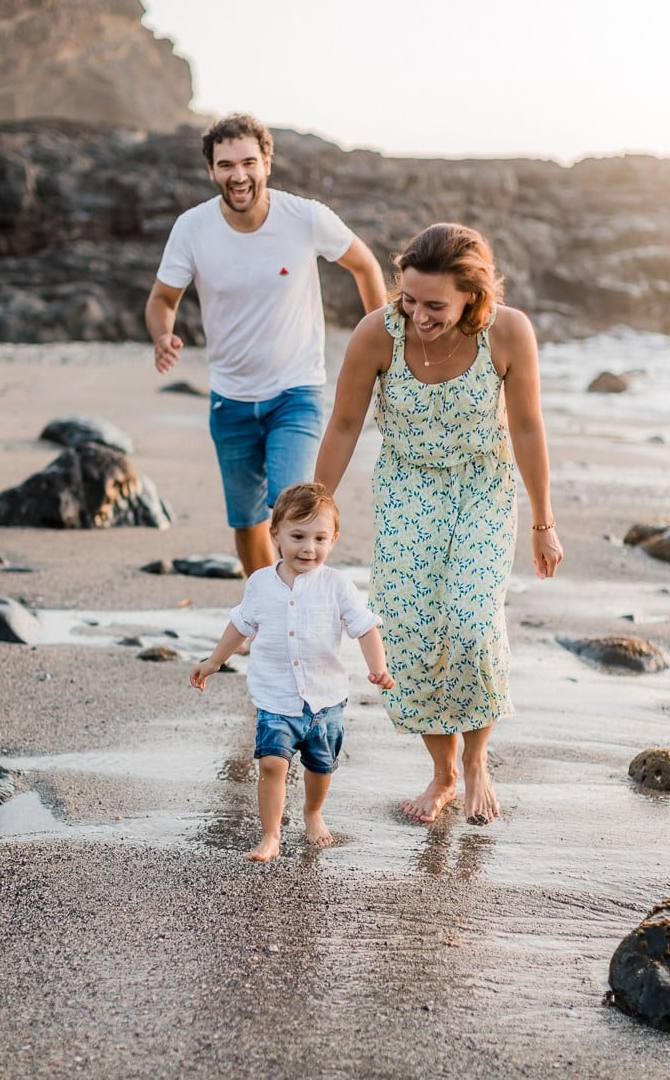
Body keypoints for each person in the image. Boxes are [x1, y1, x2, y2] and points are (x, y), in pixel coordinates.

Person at [314, 222, 563, 826]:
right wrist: (316, 503)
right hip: (406, 489)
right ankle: (442, 771)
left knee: (473, 625)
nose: (418, 317)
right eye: (409, 299)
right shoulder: (378, 335)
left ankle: (477, 761)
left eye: (435, 306)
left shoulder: (509, 332)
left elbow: (527, 427)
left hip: (483, 486)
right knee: (412, 635)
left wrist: (542, 522)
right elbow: (346, 424)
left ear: (472, 298)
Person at [145, 112, 389, 579]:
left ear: (267, 163)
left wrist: (382, 340)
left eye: (248, 162)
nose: (238, 175)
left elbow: (365, 266)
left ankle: (302, 609)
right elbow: (162, 299)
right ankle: (267, 612)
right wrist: (163, 334)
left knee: (294, 510)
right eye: (225, 165)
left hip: (295, 394)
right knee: (247, 521)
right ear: (211, 170)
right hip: (230, 400)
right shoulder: (192, 228)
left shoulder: (305, 217)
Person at [190, 482, 395, 862]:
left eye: (319, 538)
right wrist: (214, 661)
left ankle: (313, 813)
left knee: (320, 767)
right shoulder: (260, 584)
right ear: (275, 535)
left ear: (333, 538)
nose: (308, 548)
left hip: (326, 699)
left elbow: (364, 626)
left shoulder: (337, 585)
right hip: (276, 697)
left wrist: (377, 667)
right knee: (271, 763)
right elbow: (240, 625)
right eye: (297, 536)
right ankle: (270, 835)